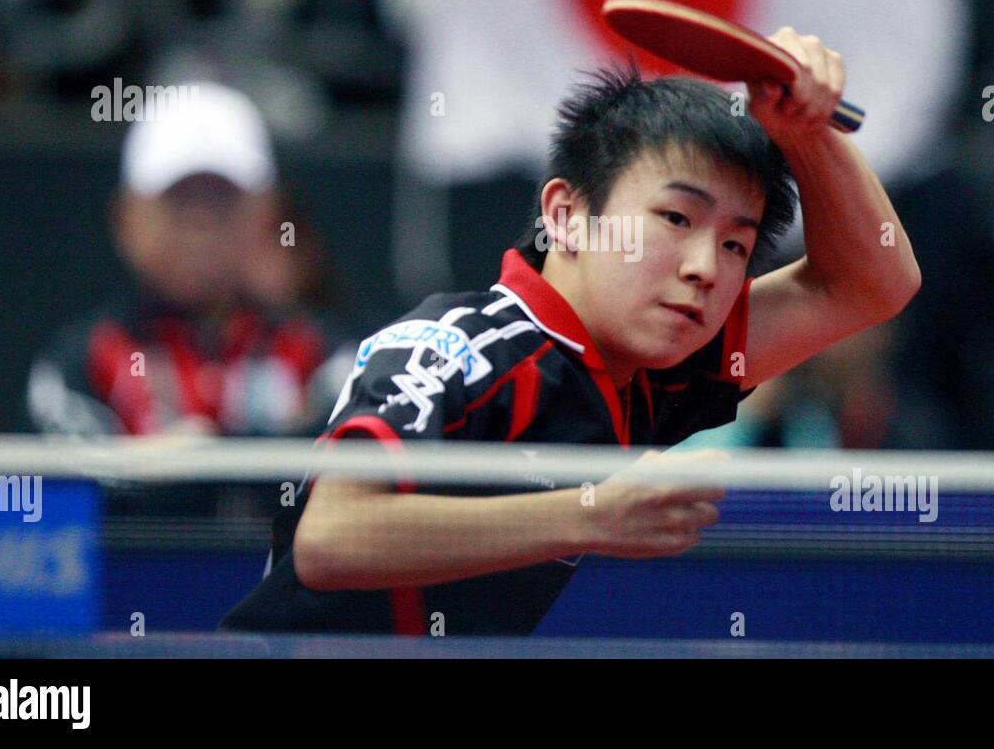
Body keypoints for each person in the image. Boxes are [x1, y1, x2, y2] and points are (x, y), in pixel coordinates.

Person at [221, 32, 920, 634]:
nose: (706, 267)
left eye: (736, 246)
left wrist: (805, 128)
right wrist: (592, 514)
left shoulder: (652, 378)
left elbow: (871, 284)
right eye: (675, 220)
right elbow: (332, 537)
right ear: (566, 215)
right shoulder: (460, 345)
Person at [27, 84, 355, 513]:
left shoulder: (328, 354)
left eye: (222, 199)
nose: (201, 222)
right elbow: (60, 485)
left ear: (268, 213)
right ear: (128, 218)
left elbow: (350, 474)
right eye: (178, 199)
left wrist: (204, 457)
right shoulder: (80, 360)